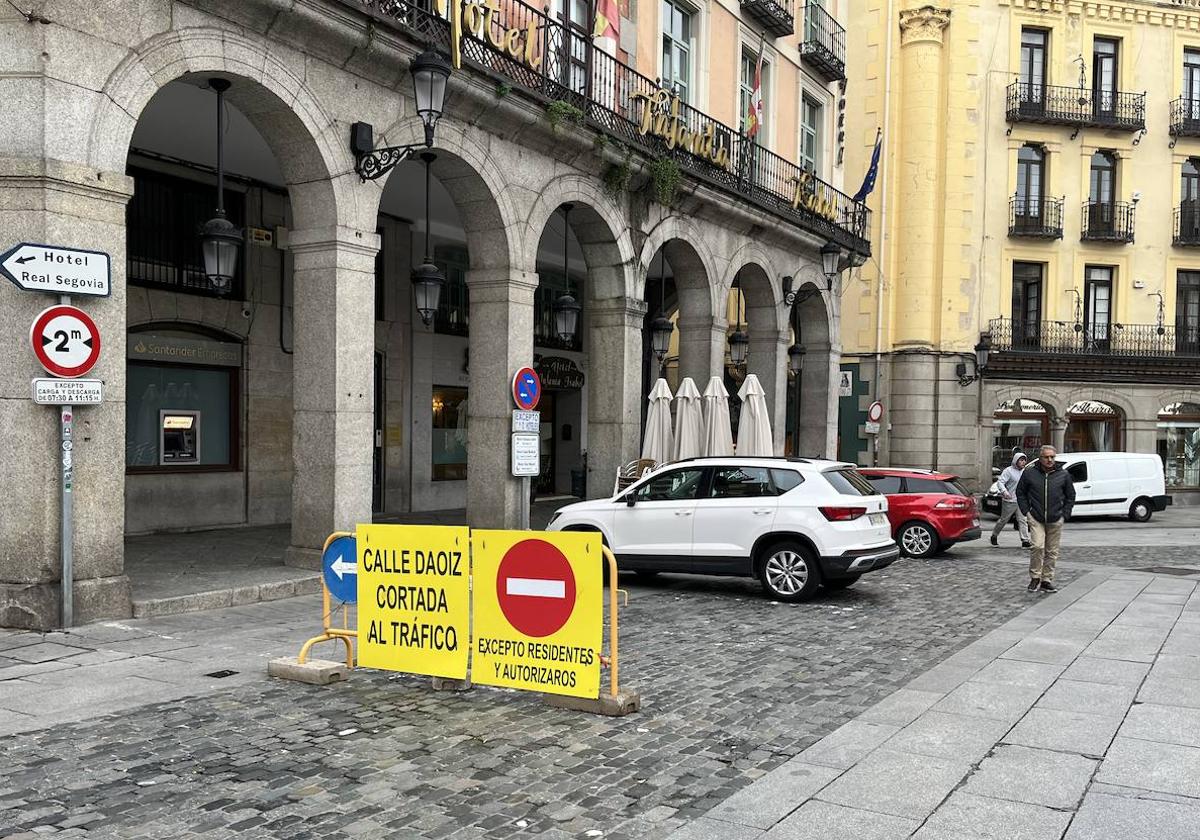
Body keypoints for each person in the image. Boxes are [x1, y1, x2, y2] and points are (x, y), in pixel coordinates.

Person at [1015, 445, 1075, 593]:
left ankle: (1046, 580)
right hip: (1036, 517)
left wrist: (1064, 514)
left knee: (1052, 551)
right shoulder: (1029, 473)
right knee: (1037, 546)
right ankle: (1035, 577)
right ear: (1040, 458)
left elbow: (1070, 496)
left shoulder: (1063, 475)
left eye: (1052, 457)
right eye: (1046, 457)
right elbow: (1020, 492)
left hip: (1055, 518)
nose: (1049, 460)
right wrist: (1026, 512)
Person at [991, 452, 1031, 548]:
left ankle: (1025, 540)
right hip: (1009, 500)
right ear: (1015, 461)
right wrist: (1004, 492)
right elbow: (1000, 482)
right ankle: (994, 535)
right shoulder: (1008, 471)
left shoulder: (1025, 471)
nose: (1023, 462)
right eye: (1021, 460)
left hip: (1021, 500)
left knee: (1022, 520)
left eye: (1024, 460)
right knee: (1003, 520)